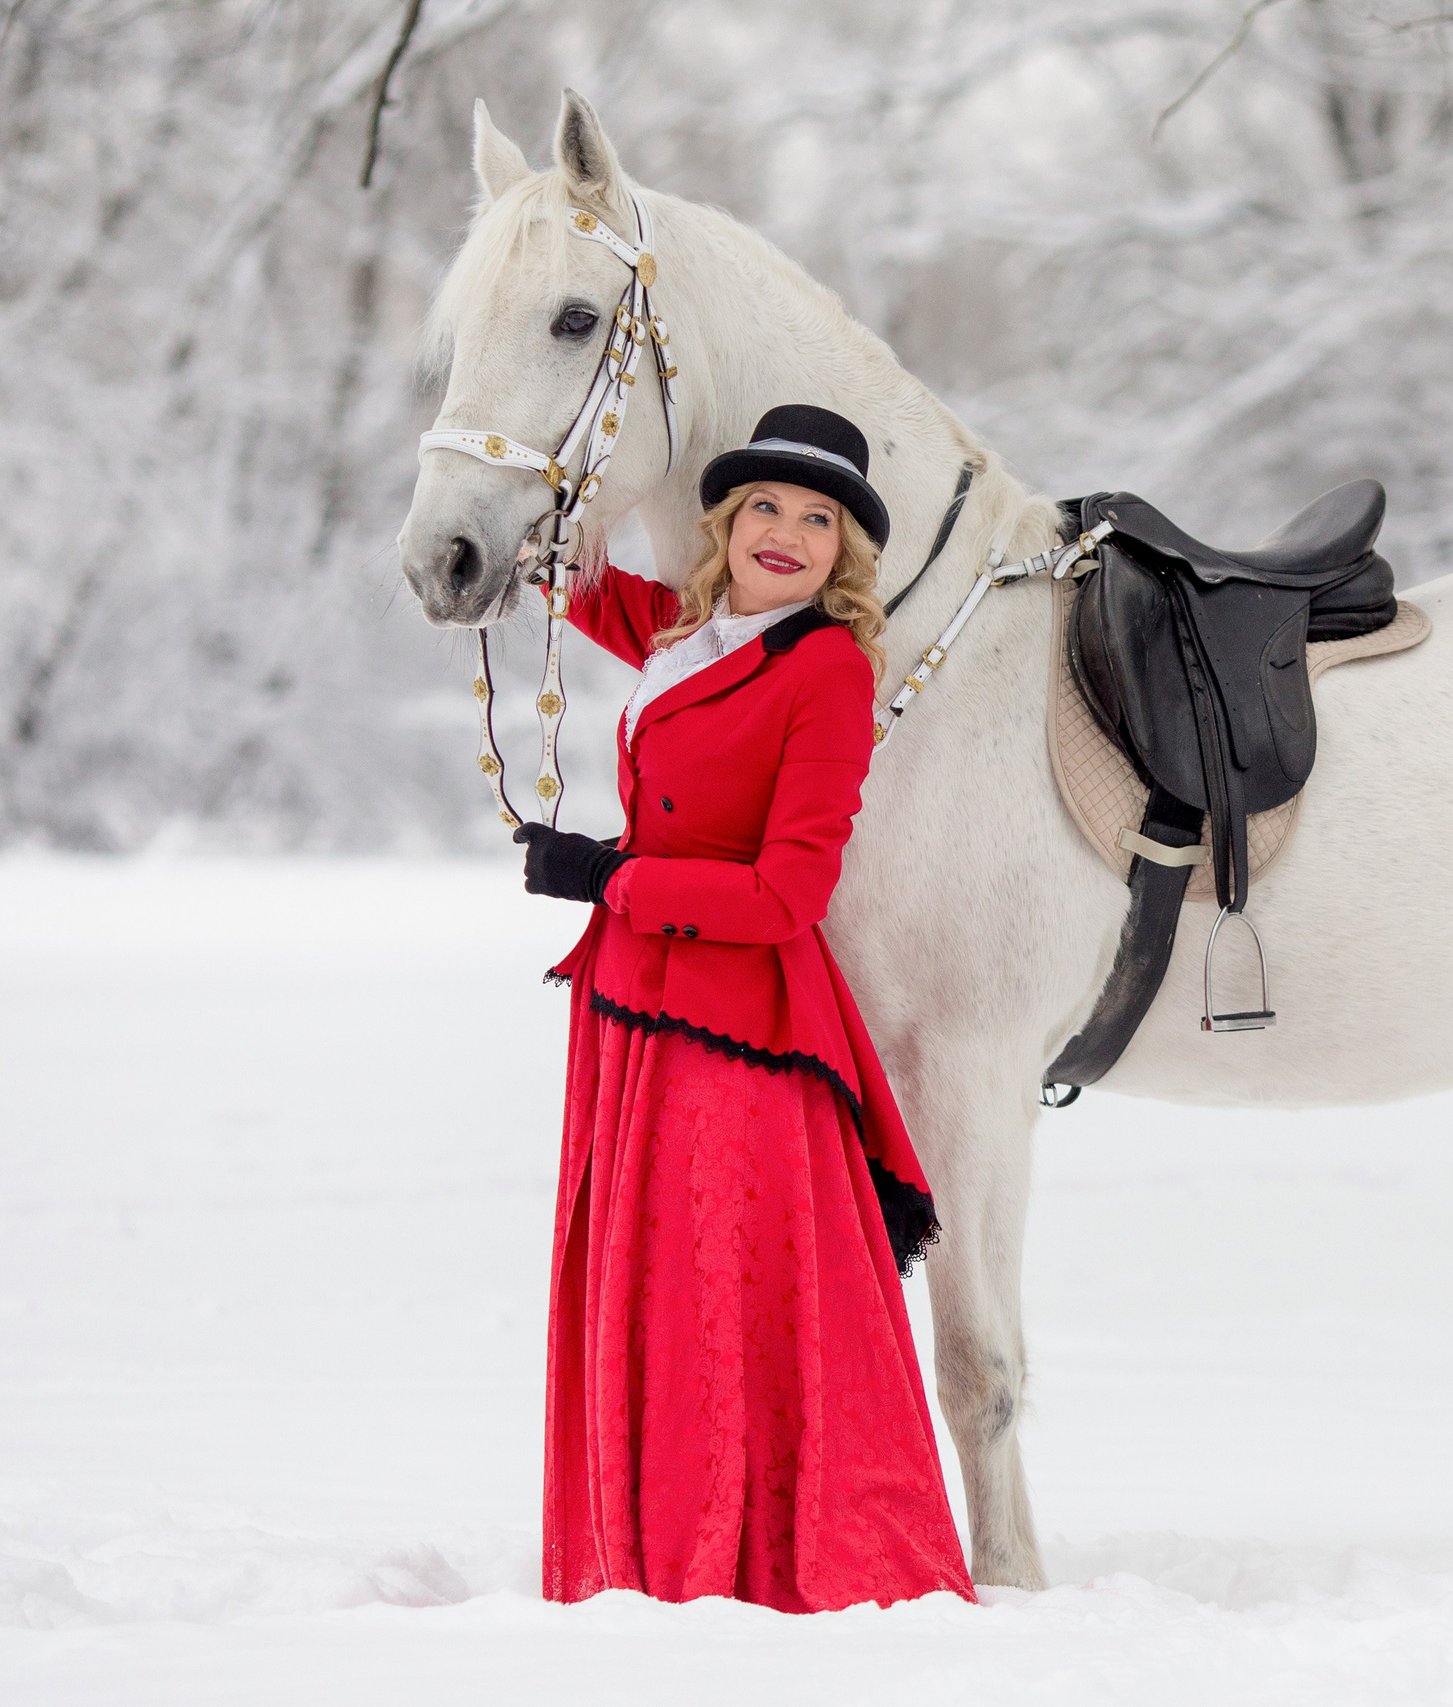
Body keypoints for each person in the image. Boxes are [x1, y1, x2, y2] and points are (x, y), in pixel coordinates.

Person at [510, 404, 972, 1613]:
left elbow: (785, 893)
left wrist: (610, 876)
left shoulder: (823, 667)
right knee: (651, 1293)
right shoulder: (690, 630)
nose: (786, 533)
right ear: (727, 521)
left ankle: (753, 1557)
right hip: (631, 1005)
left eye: (818, 521)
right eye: (766, 505)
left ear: (844, 556)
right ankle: (652, 1549)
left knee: (720, 1302)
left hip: (736, 1026)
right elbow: (570, 570)